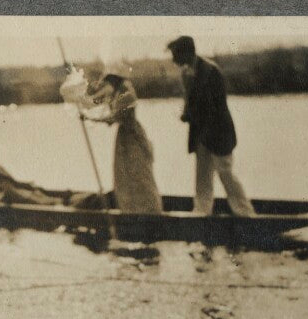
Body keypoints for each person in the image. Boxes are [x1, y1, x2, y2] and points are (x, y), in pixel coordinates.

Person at [167, 36, 255, 217]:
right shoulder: (186, 73)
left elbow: (215, 107)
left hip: (218, 132)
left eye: (175, 54)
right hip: (201, 133)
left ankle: (245, 214)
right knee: (202, 175)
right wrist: (187, 113)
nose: (173, 59)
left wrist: (192, 115)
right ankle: (201, 212)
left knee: (225, 173)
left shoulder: (210, 71)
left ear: (187, 52)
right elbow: (190, 101)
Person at [83, 67, 163, 214]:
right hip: (125, 139)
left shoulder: (125, 92)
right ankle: (132, 210)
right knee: (126, 176)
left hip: (131, 138)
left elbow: (114, 117)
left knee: (138, 174)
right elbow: (98, 101)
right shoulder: (119, 91)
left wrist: (90, 118)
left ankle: (148, 210)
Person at [0, 143, 66, 206]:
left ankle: (59, 201)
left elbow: (12, 181)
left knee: (33, 190)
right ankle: (54, 203)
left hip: (9, 192)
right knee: (19, 194)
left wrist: (25, 184)